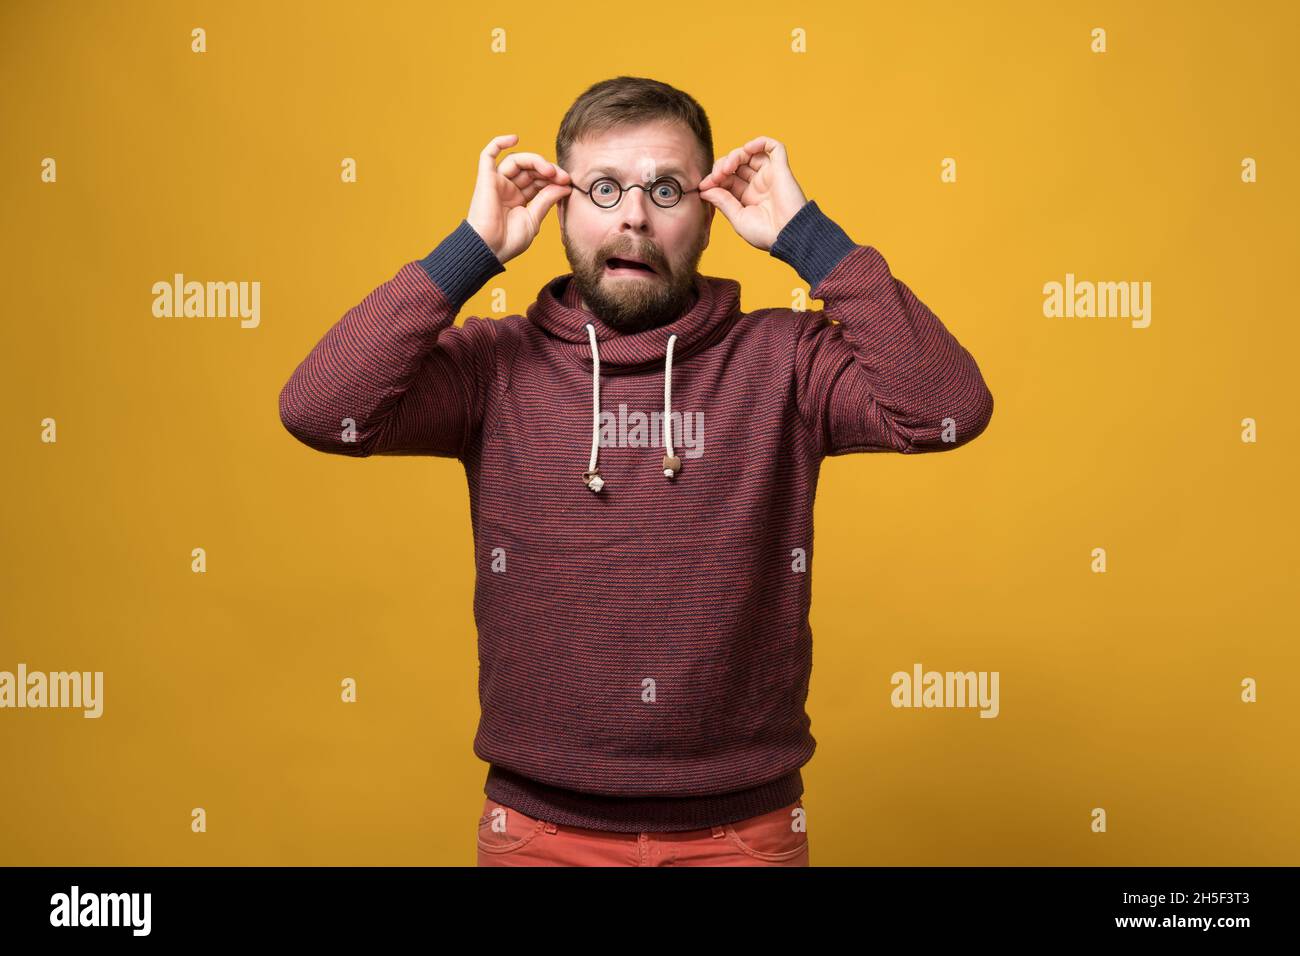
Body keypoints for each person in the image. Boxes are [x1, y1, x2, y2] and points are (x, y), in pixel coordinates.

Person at [279, 76, 995, 866]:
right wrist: (468, 252)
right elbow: (320, 410)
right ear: (560, 209)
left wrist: (809, 237)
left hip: (742, 838)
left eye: (665, 188)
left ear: (711, 214)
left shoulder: (786, 359)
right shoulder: (492, 366)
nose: (633, 214)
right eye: (605, 187)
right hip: (537, 835)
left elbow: (947, 410)